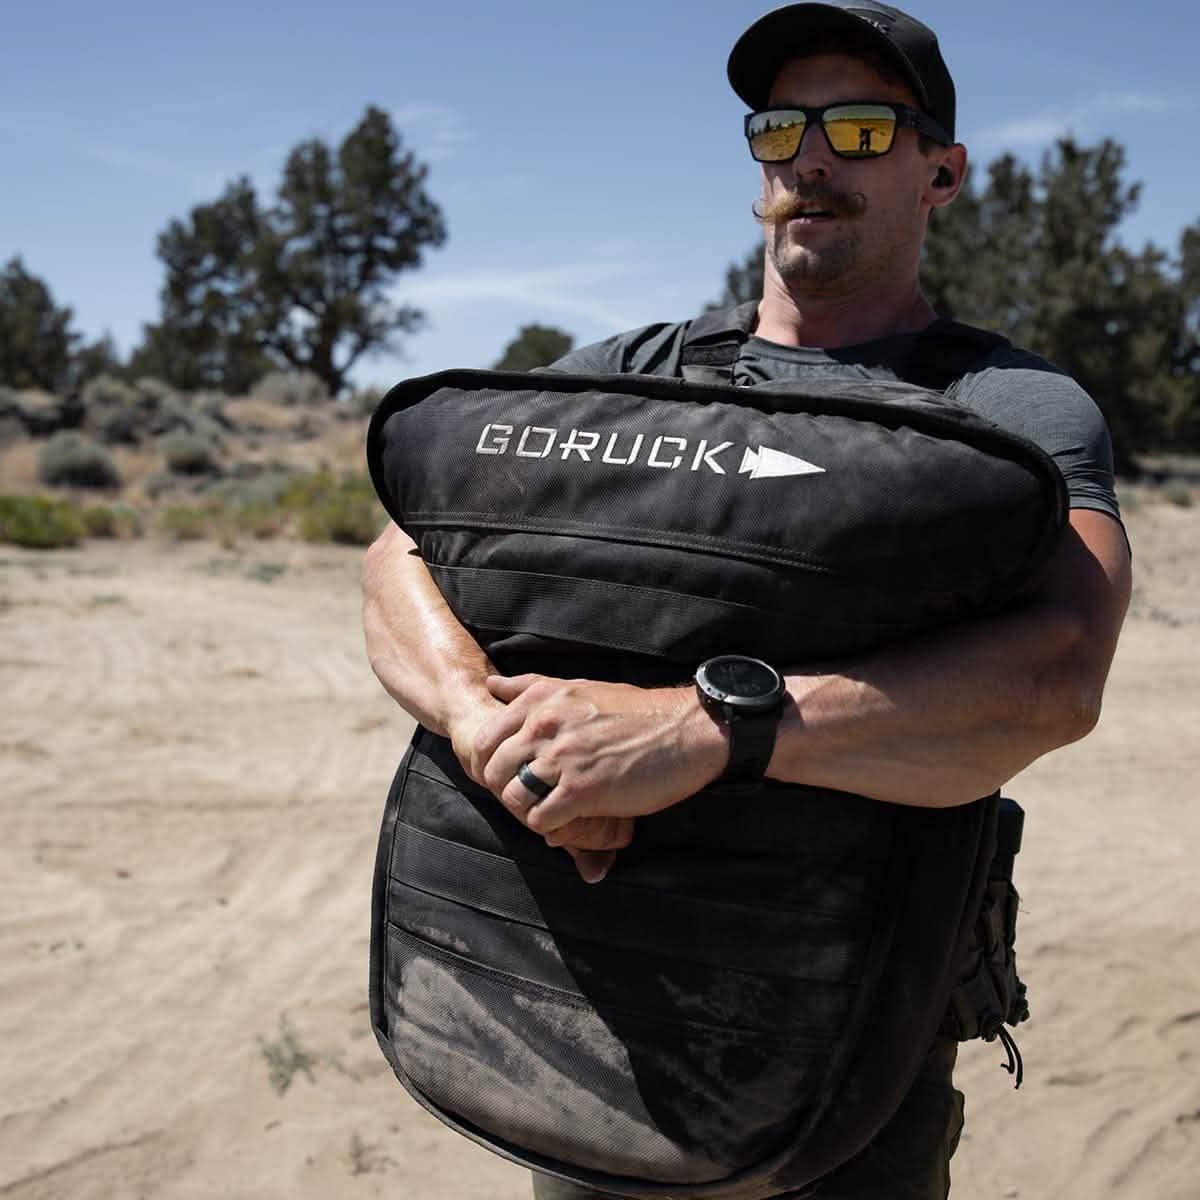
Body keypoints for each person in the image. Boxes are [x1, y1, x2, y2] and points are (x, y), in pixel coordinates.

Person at [361, 3, 1131, 1196]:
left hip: (844, 1036)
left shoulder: (1008, 410)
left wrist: (701, 732)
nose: (811, 158)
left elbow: (1060, 672)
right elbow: (398, 555)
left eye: (861, 129)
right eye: (781, 130)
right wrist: (485, 724)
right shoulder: (628, 380)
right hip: (579, 1009)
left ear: (943, 173)